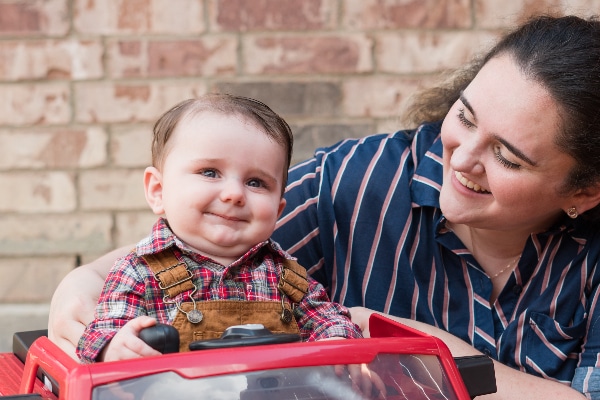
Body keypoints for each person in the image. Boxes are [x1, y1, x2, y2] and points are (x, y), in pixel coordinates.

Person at [49, 14, 600, 399]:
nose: (461, 158)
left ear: (584, 192)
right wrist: (80, 285)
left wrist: (422, 351)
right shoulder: (355, 182)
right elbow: (205, 238)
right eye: (466, 117)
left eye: (507, 155)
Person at [76, 94, 363, 364]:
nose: (234, 194)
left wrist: (337, 340)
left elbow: (327, 318)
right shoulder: (138, 272)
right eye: (210, 173)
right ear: (158, 191)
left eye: (256, 182)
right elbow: (101, 331)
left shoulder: (285, 276)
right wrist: (114, 346)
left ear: (277, 212)